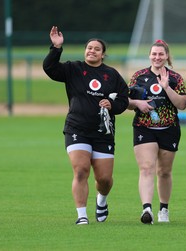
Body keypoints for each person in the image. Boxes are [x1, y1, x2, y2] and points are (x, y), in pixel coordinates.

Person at [43, 26, 129, 225]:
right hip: (76, 129)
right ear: (85, 50)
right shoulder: (74, 69)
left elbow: (124, 100)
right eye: (89, 48)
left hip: (102, 132)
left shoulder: (112, 75)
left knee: (105, 180)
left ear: (103, 54)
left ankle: (102, 200)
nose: (92, 51)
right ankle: (82, 215)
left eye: (96, 49)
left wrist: (112, 105)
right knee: (81, 170)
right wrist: (56, 48)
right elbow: (50, 69)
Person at [128, 40, 186, 224]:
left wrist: (166, 87)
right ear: (149, 55)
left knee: (164, 171)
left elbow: (182, 104)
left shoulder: (175, 78)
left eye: (161, 54)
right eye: (154, 54)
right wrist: (138, 103)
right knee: (146, 168)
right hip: (144, 127)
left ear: (167, 56)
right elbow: (126, 102)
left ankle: (164, 209)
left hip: (169, 128)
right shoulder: (139, 76)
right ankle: (147, 209)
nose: (157, 57)